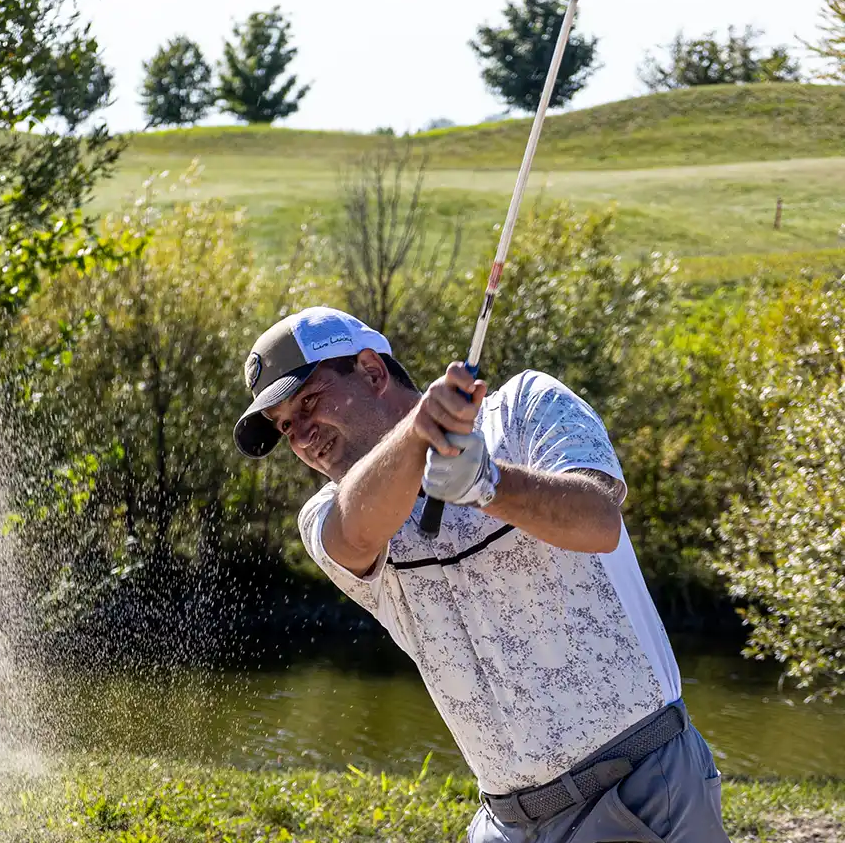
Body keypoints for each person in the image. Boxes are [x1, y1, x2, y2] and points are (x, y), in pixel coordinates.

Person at [233, 306, 728, 843]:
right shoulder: (327, 515)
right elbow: (355, 533)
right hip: (509, 821)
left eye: (309, 402)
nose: (302, 437)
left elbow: (599, 520)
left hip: (638, 786)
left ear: (373, 372)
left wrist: (487, 482)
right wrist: (418, 435)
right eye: (285, 427)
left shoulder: (523, 408)